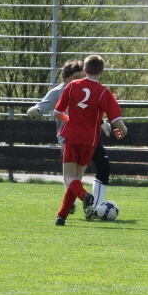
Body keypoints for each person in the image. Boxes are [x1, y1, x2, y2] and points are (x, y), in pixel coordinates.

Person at [27, 60, 115, 213]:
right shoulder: (58, 92)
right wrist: (35, 109)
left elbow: (92, 112)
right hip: (68, 137)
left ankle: (80, 204)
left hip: (88, 137)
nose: (80, 80)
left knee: (94, 168)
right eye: (76, 77)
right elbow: (43, 105)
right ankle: (75, 203)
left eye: (81, 76)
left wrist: (102, 123)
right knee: (73, 174)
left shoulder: (86, 88)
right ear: (65, 78)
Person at [52, 55, 128, 226]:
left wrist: (68, 119)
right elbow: (115, 119)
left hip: (71, 137)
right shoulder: (103, 92)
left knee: (70, 179)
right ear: (101, 72)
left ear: (84, 70)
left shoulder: (72, 86)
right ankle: (61, 216)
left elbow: (57, 112)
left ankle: (85, 196)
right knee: (77, 178)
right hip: (90, 141)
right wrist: (124, 130)